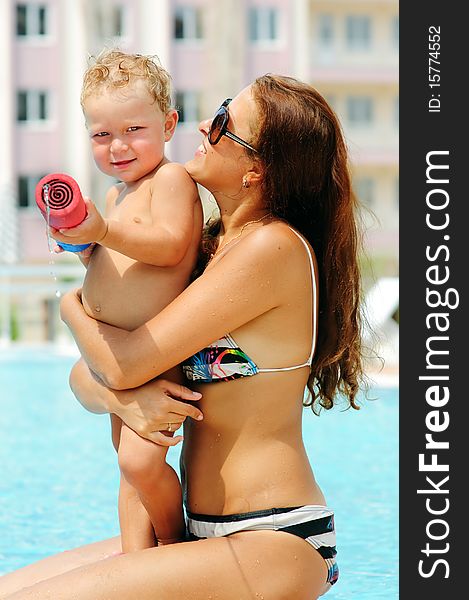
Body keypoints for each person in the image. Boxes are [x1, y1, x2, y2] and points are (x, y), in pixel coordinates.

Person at [0, 74, 365, 600]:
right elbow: (87, 377)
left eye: (222, 124)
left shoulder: (273, 250)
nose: (202, 126)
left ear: (256, 168)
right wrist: (131, 400)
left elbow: (119, 364)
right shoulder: (204, 250)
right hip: (193, 534)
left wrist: (70, 309)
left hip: (270, 537)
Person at [50, 49, 203, 552]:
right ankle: (135, 557)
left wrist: (106, 231)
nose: (117, 146)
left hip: (155, 352)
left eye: (133, 129)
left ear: (168, 124)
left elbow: (171, 246)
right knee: (127, 464)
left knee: (140, 461)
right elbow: (114, 268)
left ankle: (175, 545)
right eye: (101, 134)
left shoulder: (172, 180)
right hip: (116, 352)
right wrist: (83, 246)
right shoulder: (117, 195)